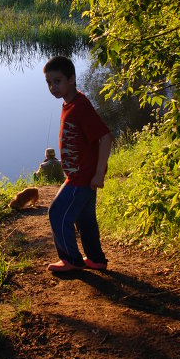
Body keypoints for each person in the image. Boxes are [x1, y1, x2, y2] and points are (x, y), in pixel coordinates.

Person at [43, 55, 113, 273]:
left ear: (72, 79)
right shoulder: (70, 103)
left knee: (56, 213)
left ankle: (71, 259)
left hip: (81, 178)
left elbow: (105, 137)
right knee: (85, 219)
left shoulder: (80, 106)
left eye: (58, 81)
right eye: (49, 82)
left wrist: (99, 173)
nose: (53, 87)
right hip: (80, 174)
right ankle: (96, 259)